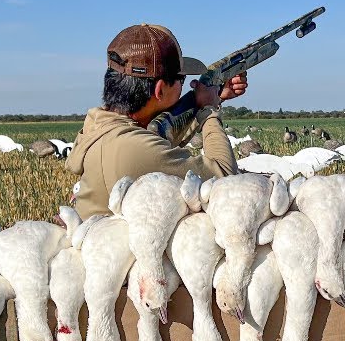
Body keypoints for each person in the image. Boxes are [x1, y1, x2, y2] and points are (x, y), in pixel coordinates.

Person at [66, 23, 248, 218]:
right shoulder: (133, 147)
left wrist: (210, 97)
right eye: (182, 79)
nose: (183, 87)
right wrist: (208, 109)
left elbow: (157, 132)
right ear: (159, 89)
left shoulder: (98, 125)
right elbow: (224, 176)